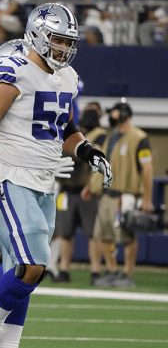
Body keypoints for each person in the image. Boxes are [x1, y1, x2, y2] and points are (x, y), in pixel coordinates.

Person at [0, 2, 112, 348]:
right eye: (58, 40)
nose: (64, 48)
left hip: (46, 180)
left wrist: (85, 149)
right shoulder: (14, 70)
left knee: (26, 268)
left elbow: (63, 126)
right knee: (33, 263)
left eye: (69, 41)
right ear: (36, 34)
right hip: (12, 176)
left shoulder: (67, 78)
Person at [91, 100, 152, 288]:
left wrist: (147, 199)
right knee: (103, 235)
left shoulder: (139, 137)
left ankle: (127, 272)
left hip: (126, 194)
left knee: (126, 236)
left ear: (124, 113)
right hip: (108, 193)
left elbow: (147, 169)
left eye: (115, 113)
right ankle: (112, 270)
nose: (111, 116)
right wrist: (91, 185)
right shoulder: (112, 136)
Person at [50, 102, 106, 283]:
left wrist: (92, 186)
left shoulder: (101, 136)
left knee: (92, 233)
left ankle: (96, 270)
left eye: (93, 112)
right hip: (67, 188)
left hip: (86, 190)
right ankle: (64, 268)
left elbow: (99, 164)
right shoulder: (74, 132)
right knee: (65, 232)